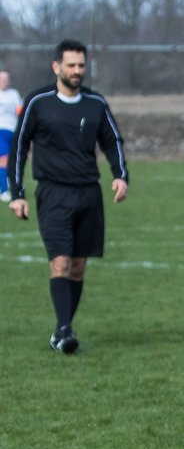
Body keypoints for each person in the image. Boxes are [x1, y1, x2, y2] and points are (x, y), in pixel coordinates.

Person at [7, 39, 129, 354]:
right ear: (56, 66)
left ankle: (62, 330)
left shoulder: (96, 103)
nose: (77, 71)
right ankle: (64, 330)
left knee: (77, 267)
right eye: (71, 65)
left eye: (81, 66)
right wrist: (16, 194)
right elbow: (19, 147)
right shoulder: (38, 101)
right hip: (53, 194)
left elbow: (112, 140)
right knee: (59, 262)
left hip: (88, 194)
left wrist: (120, 176)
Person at [0, 69, 21, 202]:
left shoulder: (14, 94)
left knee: (12, 160)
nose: (4, 81)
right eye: (2, 78)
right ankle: (4, 191)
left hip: (12, 131)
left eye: (6, 78)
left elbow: (19, 111)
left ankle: (8, 183)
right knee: (4, 159)